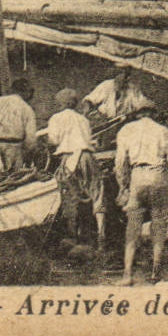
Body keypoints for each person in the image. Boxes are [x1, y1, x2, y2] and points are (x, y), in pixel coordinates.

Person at [114, 98, 168, 285]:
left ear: (136, 113)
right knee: (159, 223)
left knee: (133, 226)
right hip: (159, 175)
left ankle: (127, 274)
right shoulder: (163, 130)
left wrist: (122, 186)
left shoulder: (126, 130)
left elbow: (119, 163)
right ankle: (156, 271)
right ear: (153, 113)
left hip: (137, 175)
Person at [42, 88, 107, 249]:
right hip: (87, 156)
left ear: (61, 103)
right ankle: (101, 232)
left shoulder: (56, 118)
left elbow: (53, 141)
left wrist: (46, 144)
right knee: (97, 192)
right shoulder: (83, 119)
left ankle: (74, 234)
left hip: (69, 157)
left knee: (71, 196)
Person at [83, 67, 151, 125]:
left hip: (121, 123)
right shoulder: (106, 85)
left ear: (127, 78)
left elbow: (142, 104)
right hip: (102, 121)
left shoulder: (133, 89)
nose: (121, 81)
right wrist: (85, 114)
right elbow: (89, 100)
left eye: (125, 78)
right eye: (119, 77)